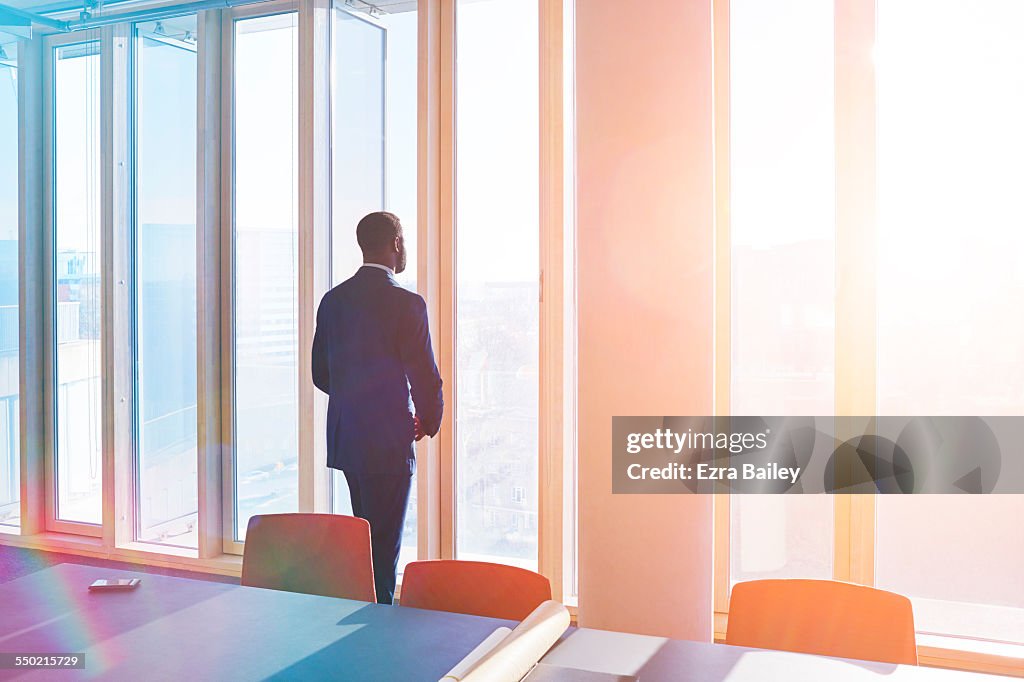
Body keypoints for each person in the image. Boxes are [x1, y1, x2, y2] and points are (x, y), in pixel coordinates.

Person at [312, 211, 443, 604]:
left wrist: (356, 400)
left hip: (348, 437)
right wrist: (429, 418)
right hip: (388, 440)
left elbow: (321, 374)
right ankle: (378, 626)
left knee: (366, 539)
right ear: (396, 244)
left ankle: (368, 623)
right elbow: (423, 371)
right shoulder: (407, 304)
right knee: (384, 551)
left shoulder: (333, 300)